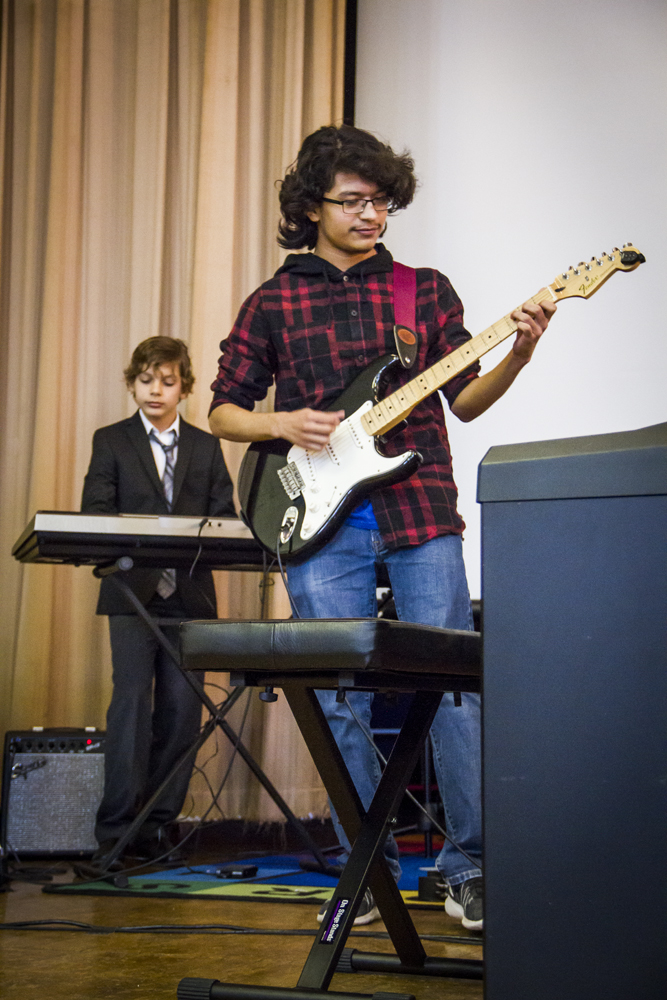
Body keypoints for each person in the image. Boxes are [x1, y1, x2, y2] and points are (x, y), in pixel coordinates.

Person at [208, 125, 556, 930]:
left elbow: (465, 401)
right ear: (312, 207)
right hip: (316, 519)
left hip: (418, 506)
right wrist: (280, 424)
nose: (371, 215)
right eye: (354, 201)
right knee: (338, 697)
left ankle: (469, 867)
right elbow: (223, 410)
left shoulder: (421, 292)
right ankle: (366, 869)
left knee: (453, 688)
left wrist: (518, 354)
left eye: (381, 202)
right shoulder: (273, 301)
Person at [82, 336, 235, 867]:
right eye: (146, 380)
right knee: (130, 707)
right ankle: (115, 834)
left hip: (189, 596)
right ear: (132, 384)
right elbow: (95, 511)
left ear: (183, 388)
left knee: (181, 712)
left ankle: (156, 829)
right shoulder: (111, 441)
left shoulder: (206, 447)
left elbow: (224, 519)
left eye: (167, 381)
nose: (156, 390)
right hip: (131, 594)